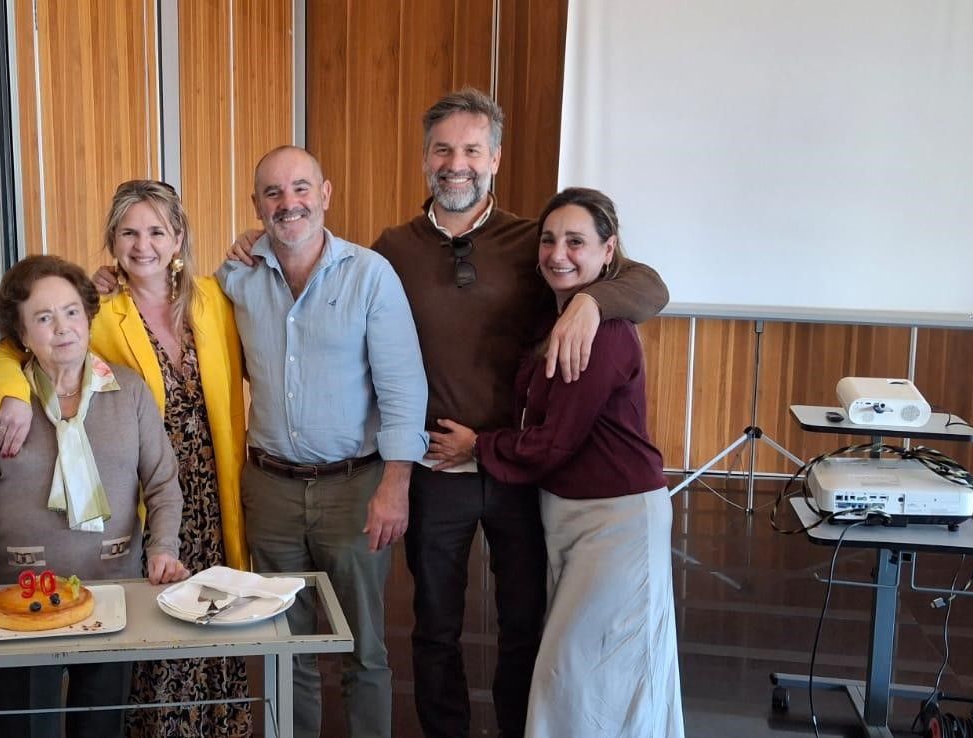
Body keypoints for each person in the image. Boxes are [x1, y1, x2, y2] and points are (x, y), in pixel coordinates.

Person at [225, 90, 669, 738]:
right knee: (434, 628)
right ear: (425, 159)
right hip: (435, 468)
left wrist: (593, 302)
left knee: (523, 625)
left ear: (494, 157)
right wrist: (257, 241)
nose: (455, 163)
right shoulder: (390, 251)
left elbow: (649, 285)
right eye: (442, 149)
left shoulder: (534, 242)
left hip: (521, 469)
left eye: (469, 150)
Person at [0, 180, 254, 736]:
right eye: (128, 232)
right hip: (141, 501)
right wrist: (9, 395)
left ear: (179, 238)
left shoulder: (216, 299)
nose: (143, 244)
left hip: (210, 495)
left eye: (157, 230)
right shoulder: (98, 309)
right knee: (148, 639)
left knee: (213, 626)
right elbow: (13, 348)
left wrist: (255, 240)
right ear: (111, 241)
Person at [427, 187, 684, 738]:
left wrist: (477, 445)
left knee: (578, 670)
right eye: (549, 240)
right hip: (572, 515)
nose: (558, 253)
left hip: (616, 521)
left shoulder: (603, 329)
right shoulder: (558, 314)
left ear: (607, 250)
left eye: (576, 242)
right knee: (594, 669)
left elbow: (552, 443)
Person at [0, 254, 191, 738]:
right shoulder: (3, 405)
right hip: (19, 601)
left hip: (114, 592)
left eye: (70, 312)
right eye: (43, 318)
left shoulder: (129, 392)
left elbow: (164, 484)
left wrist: (164, 549)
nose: (61, 328)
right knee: (28, 727)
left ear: (88, 317)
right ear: (21, 335)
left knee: (100, 727)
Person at [217, 145, 429, 738]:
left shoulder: (369, 274)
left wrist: (396, 485)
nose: (290, 203)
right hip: (271, 490)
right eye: (274, 193)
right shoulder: (235, 277)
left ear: (326, 194)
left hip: (355, 488)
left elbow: (403, 385)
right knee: (289, 646)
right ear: (256, 204)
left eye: (301, 188)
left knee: (364, 649)